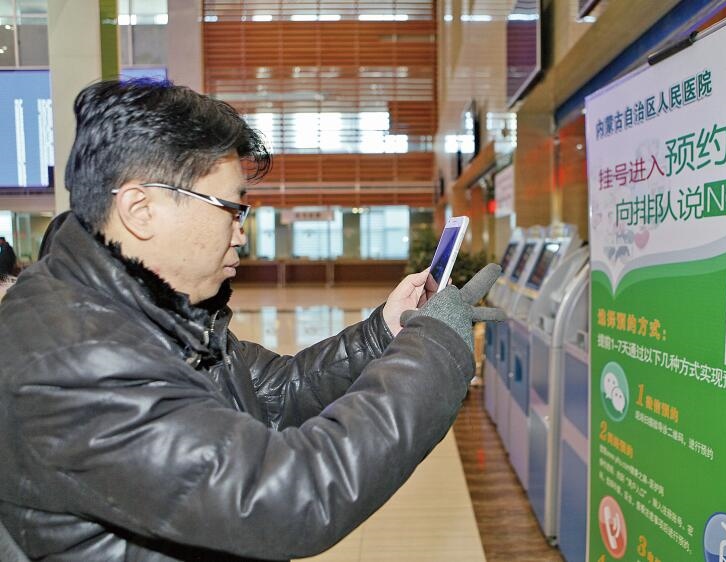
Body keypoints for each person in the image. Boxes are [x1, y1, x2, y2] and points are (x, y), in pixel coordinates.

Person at [0, 79, 504, 561]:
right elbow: (290, 496)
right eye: (231, 208)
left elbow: (274, 393)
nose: (241, 233)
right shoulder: (77, 361)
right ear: (141, 208)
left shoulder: (144, 311)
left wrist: (386, 333)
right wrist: (435, 349)